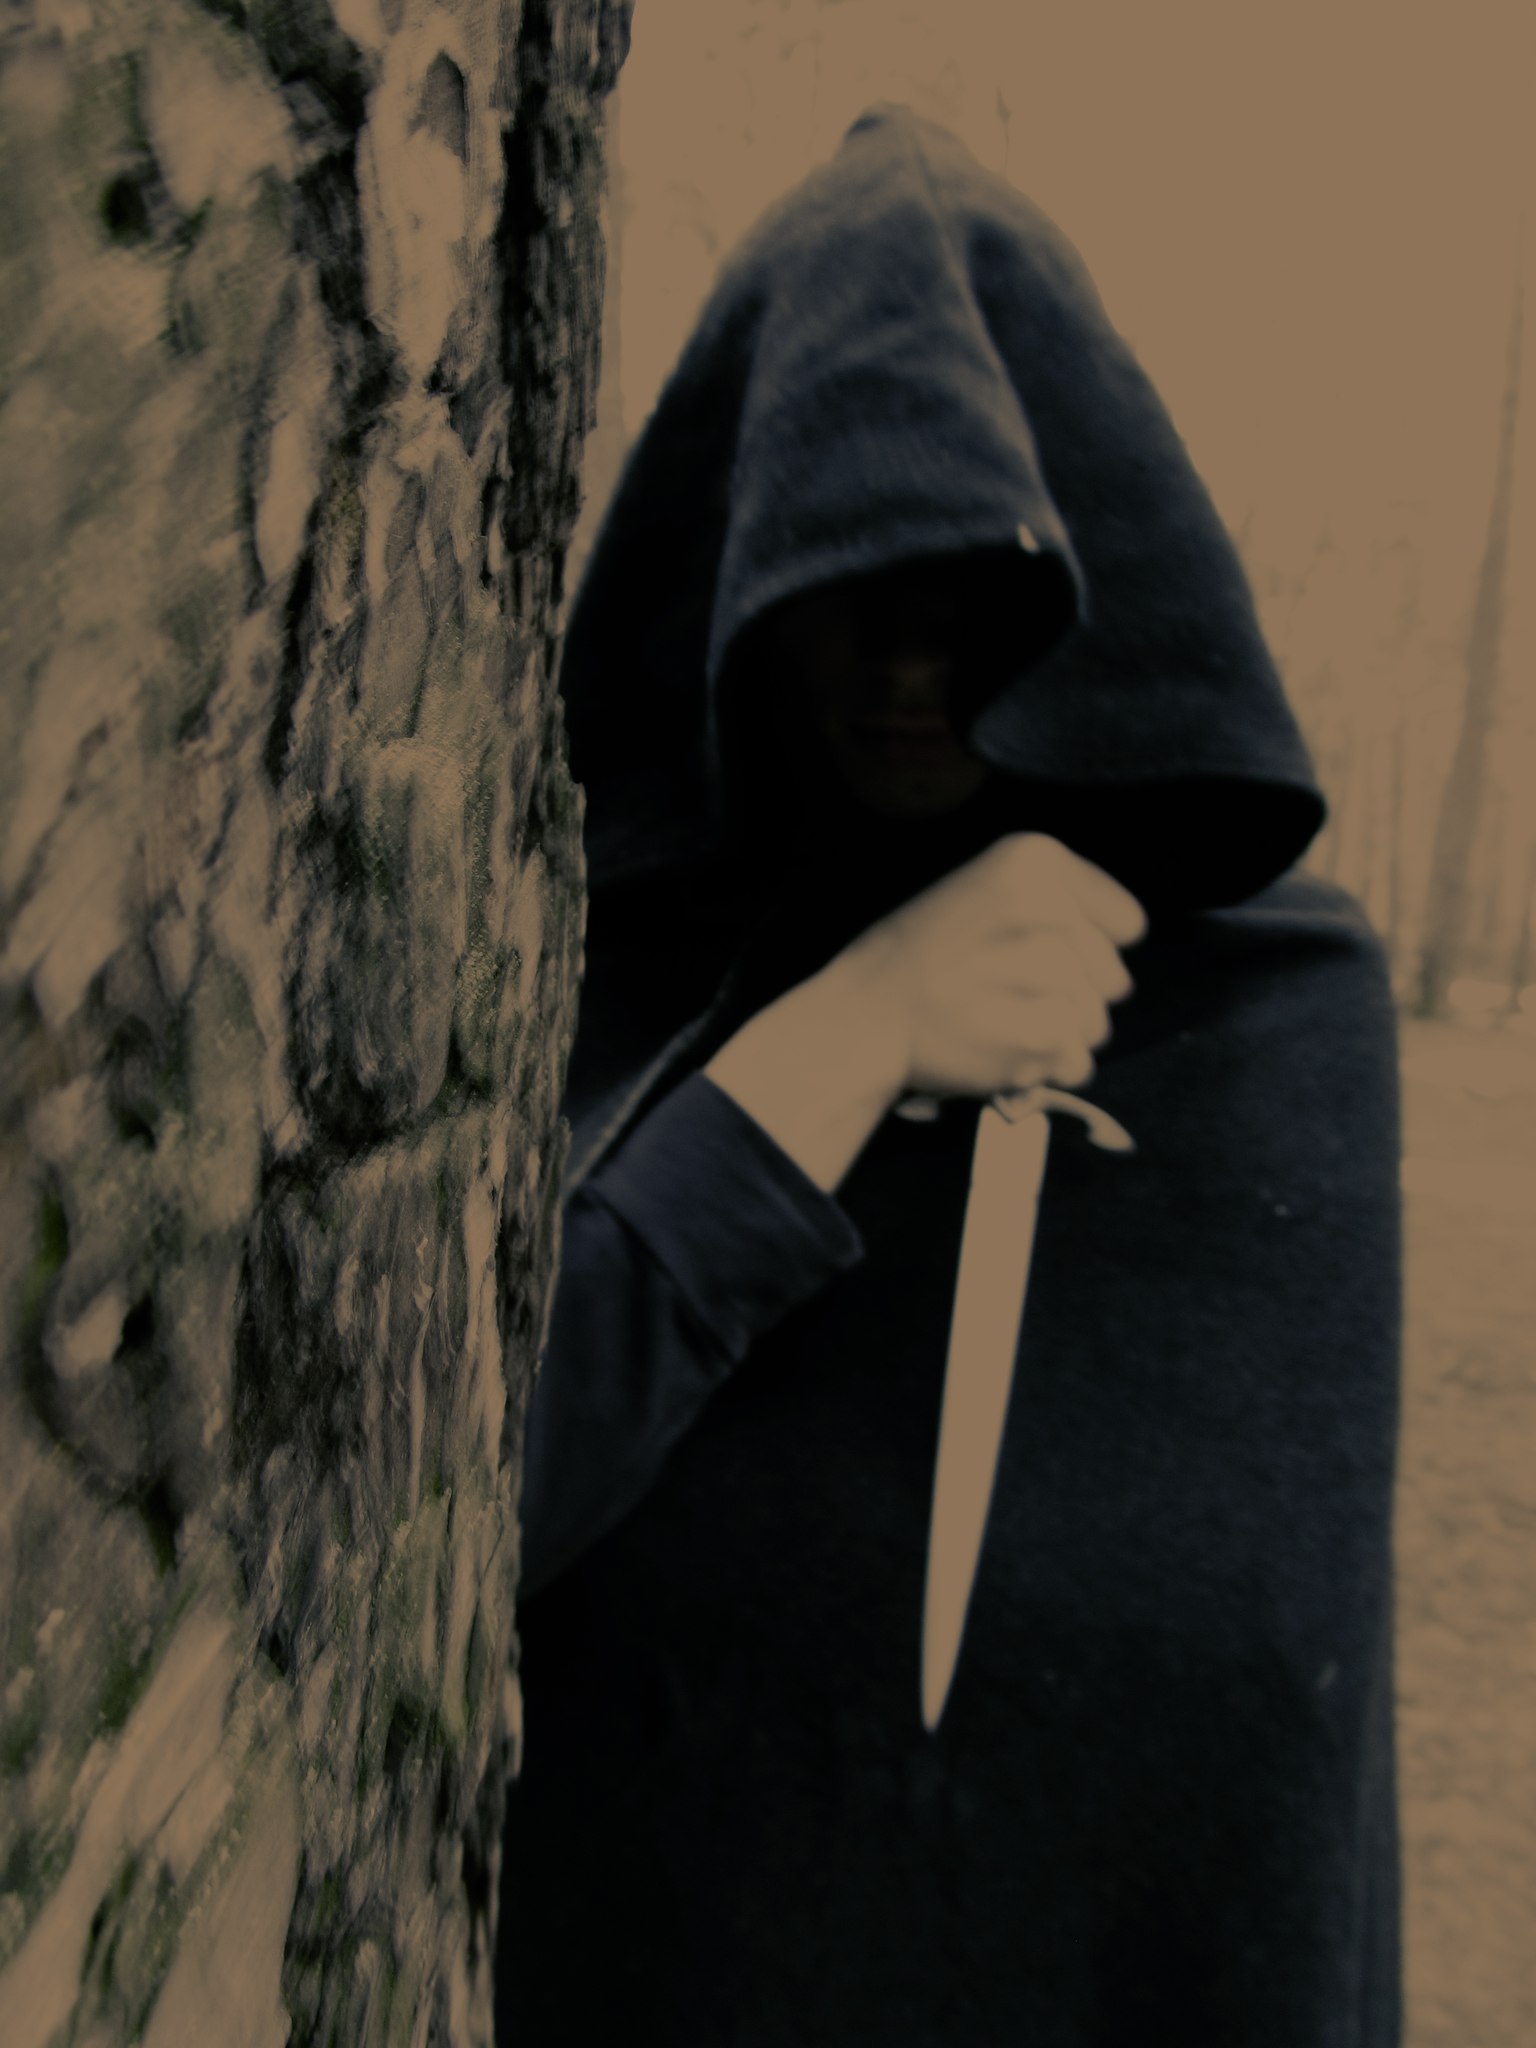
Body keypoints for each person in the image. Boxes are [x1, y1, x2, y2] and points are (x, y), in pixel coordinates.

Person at [494, 106, 1402, 2046]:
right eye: (852, 574)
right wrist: (838, 1044)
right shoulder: (605, 972)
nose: (910, 665)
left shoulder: (1268, 1010)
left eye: (971, 586)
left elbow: (1280, 1766)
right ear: (742, 564)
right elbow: (452, 1513)